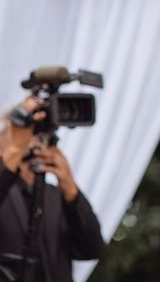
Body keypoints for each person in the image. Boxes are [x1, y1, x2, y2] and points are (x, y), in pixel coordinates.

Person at [0, 95, 105, 282]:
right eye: (27, 134)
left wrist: (70, 188)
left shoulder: (55, 195)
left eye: (40, 136)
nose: (34, 142)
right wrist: (13, 153)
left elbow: (91, 249)